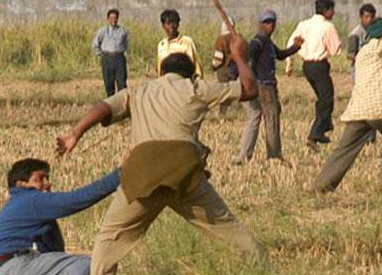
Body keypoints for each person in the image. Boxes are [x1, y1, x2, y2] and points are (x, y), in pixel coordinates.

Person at [56, 34, 266, 275]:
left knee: (107, 239)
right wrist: (239, 56)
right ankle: (261, 265)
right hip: (184, 175)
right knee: (230, 230)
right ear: (190, 74)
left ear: (160, 72)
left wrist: (76, 132)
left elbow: (103, 107)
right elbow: (250, 89)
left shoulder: (138, 91)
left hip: (142, 175)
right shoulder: (196, 88)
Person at [314, 18, 382, 192]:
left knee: (345, 149)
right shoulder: (379, 45)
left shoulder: (363, 52)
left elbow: (373, 73)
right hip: (378, 109)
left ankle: (322, 186)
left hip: (358, 109)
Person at [0, 158, 120, 275]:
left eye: (48, 178)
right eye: (40, 178)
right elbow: (77, 199)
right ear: (21, 184)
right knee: (90, 266)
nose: (48, 184)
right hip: (18, 267)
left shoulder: (13, 209)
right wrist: (120, 175)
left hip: (4, 269)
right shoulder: (31, 199)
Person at [234, 9, 303, 164]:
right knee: (271, 119)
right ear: (261, 24)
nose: (270, 25)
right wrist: (247, 77)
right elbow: (248, 57)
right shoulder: (258, 42)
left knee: (254, 118)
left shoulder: (267, 43)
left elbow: (281, 55)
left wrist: (295, 48)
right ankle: (274, 155)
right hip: (264, 86)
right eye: (266, 22)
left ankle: (244, 155)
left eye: (271, 22)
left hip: (260, 85)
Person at [286, 0, 343, 151]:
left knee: (322, 98)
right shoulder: (327, 26)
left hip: (307, 67)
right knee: (327, 99)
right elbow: (335, 50)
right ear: (326, 11)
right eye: (332, 10)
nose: (333, 13)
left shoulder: (303, 25)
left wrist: (289, 64)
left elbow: (291, 43)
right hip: (319, 66)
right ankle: (315, 133)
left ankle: (324, 126)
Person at [347, 4, 377, 144]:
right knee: (361, 106)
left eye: (371, 16)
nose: (369, 19)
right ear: (361, 17)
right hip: (359, 74)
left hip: (372, 73)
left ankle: (371, 137)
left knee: (373, 106)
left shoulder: (376, 32)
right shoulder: (355, 34)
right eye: (366, 16)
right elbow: (351, 56)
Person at [92, 9, 129, 97]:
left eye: (115, 18)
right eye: (111, 18)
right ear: (108, 19)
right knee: (109, 83)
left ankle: (122, 105)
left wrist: (120, 52)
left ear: (118, 19)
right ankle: (111, 104)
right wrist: (102, 55)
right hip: (107, 58)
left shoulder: (123, 31)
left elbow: (126, 44)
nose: (113, 20)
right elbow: (95, 44)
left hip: (119, 58)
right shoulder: (102, 31)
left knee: (122, 83)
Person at [157, 9, 203, 79]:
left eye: (174, 23)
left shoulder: (187, 42)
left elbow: (195, 65)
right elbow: (160, 68)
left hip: (183, 82)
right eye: (168, 23)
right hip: (166, 82)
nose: (171, 26)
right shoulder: (161, 45)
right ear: (163, 26)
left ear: (178, 24)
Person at [211, 17, 237, 115]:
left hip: (223, 69)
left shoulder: (221, 40)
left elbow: (218, 58)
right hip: (235, 68)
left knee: (224, 92)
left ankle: (222, 114)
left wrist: (213, 66)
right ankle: (236, 111)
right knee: (234, 90)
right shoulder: (237, 38)